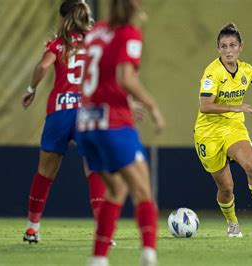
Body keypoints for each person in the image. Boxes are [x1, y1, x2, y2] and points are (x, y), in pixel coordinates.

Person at [77, 0, 165, 265]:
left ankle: (98, 258)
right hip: (113, 124)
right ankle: (149, 254)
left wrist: (126, 102)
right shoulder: (129, 32)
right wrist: (153, 107)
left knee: (116, 190)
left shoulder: (95, 32)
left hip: (85, 123)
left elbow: (93, 80)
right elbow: (125, 78)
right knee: (143, 191)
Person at [21, 0, 107, 244]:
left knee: (45, 173)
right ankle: (102, 232)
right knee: (95, 170)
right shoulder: (95, 43)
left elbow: (43, 65)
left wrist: (31, 88)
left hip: (60, 111)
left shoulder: (59, 43)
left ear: (64, 18)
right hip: (87, 112)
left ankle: (32, 228)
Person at [193, 22, 252, 238]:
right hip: (208, 133)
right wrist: (235, 107)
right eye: (224, 46)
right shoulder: (212, 73)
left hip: (233, 127)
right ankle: (232, 222)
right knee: (227, 188)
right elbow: (205, 106)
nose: (228, 51)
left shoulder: (245, 70)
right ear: (218, 49)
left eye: (232, 45)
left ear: (240, 47)